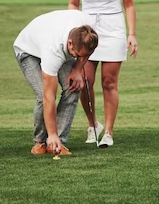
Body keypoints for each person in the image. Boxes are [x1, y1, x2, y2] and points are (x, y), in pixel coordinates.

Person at [68, 0, 138, 147]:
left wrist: (132, 34)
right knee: (85, 82)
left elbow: (130, 5)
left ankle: (108, 132)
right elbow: (73, 4)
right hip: (87, 33)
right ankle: (92, 125)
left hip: (113, 31)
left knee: (109, 82)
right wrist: (74, 31)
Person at [14, 10, 99, 156]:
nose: (81, 58)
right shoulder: (52, 51)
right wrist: (51, 133)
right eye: (78, 55)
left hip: (51, 42)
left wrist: (78, 70)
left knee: (74, 87)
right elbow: (49, 96)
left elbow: (88, 52)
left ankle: (58, 143)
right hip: (28, 50)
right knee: (42, 94)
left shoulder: (89, 32)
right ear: (70, 44)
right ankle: (41, 141)